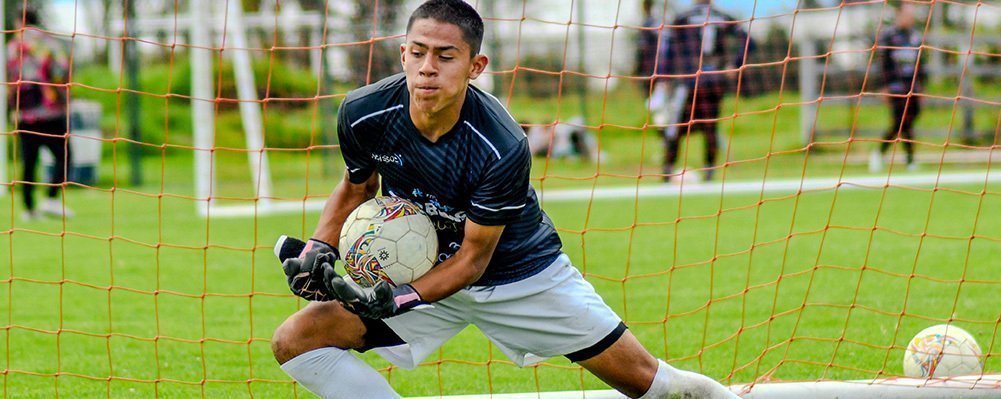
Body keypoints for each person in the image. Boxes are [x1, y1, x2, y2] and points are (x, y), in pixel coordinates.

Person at [270, 1, 740, 398]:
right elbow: (356, 186)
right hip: (422, 275)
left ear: (476, 67)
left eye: (445, 56)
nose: (427, 67)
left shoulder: (501, 145)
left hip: (520, 276)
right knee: (297, 341)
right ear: (402, 55)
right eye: (417, 53)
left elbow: (474, 259)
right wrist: (318, 250)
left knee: (651, 384)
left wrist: (396, 299)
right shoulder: (363, 113)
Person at [659, 0, 753, 182]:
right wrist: (735, 64)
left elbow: (668, 49)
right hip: (714, 81)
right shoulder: (723, 16)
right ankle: (709, 172)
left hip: (689, 81)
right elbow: (748, 40)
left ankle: (667, 170)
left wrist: (664, 76)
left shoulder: (682, 18)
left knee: (677, 127)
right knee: (710, 127)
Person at [6, 6, 74, 221]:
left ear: (19, 21)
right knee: (64, 156)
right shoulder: (49, 43)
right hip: (50, 111)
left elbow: (7, 77)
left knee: (29, 162)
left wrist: (11, 106)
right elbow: (62, 70)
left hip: (24, 114)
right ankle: (52, 198)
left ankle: (29, 210)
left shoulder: (12, 46)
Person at [870, 4, 926, 173]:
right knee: (902, 121)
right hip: (895, 88)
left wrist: (922, 86)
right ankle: (908, 159)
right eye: (907, 15)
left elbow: (921, 64)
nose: (910, 18)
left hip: (912, 87)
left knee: (907, 121)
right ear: (899, 16)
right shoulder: (889, 37)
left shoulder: (915, 37)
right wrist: (883, 87)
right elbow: (882, 64)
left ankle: (881, 153)